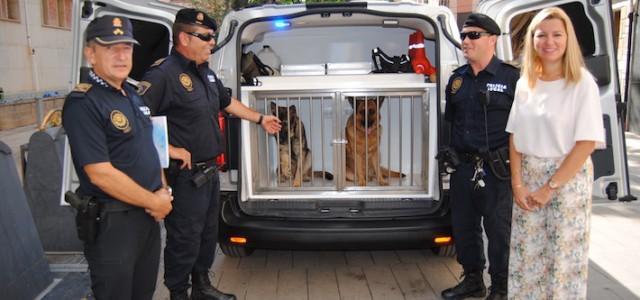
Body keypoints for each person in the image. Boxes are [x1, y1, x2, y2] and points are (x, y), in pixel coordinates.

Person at [140, 8, 281, 300]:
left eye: (212, 37)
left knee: (206, 236)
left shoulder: (206, 72)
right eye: (205, 37)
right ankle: (179, 292)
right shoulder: (162, 74)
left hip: (208, 174)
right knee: (184, 239)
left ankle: (201, 287)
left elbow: (227, 103)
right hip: (183, 177)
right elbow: (137, 120)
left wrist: (260, 119)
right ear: (183, 37)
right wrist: (169, 149)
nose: (211, 43)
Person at [62, 16, 173, 300]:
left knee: (143, 293)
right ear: (91, 53)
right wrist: (155, 202)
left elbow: (150, 148)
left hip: (147, 218)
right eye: (111, 47)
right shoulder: (84, 102)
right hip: (114, 224)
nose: (122, 55)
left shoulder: (132, 95)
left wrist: (162, 190)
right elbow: (100, 173)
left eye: (127, 47)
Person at [506, 7, 605, 299]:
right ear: (532, 40)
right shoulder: (526, 82)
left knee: (562, 261)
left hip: (567, 181)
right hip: (528, 180)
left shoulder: (581, 83)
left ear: (568, 39)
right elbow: (514, 137)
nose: (549, 41)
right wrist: (517, 184)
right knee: (527, 259)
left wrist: (550, 187)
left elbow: (586, 142)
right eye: (541, 35)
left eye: (557, 35)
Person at [441, 13, 519, 300]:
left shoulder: (511, 78)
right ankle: (473, 280)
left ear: (492, 39)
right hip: (463, 167)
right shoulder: (457, 81)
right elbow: (451, 122)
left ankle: (500, 288)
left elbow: (523, 129)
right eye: (463, 36)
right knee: (464, 227)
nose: (465, 41)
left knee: (499, 233)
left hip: (497, 169)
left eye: (473, 35)